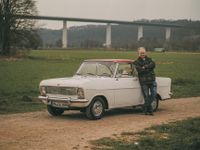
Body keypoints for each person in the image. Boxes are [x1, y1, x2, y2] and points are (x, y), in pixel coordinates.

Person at [134, 47, 157, 115]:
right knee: (146, 96)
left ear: (145, 53)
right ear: (138, 54)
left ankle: (144, 107)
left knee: (154, 94)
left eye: (143, 53)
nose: (142, 54)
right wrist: (148, 68)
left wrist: (145, 67)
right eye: (141, 53)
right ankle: (150, 111)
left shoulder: (150, 59)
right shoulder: (136, 62)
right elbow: (140, 71)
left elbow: (153, 64)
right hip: (144, 81)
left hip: (152, 80)